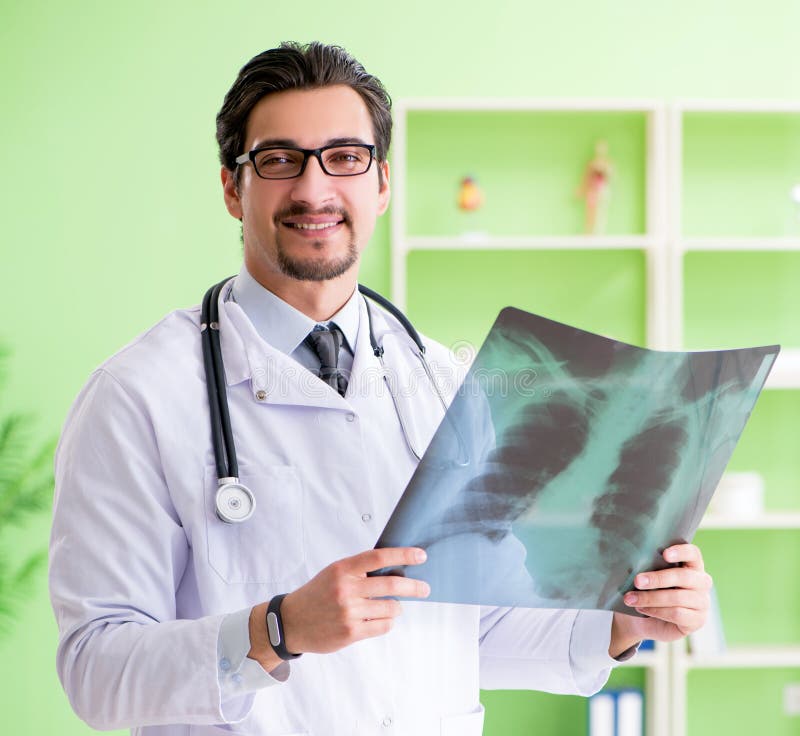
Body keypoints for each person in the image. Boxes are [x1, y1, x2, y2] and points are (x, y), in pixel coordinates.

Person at [49, 42, 712, 736]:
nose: (313, 189)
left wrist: (621, 623)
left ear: (383, 183)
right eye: (279, 160)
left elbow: (470, 630)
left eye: (345, 156)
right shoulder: (137, 397)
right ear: (231, 187)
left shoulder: (442, 381)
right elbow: (96, 671)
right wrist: (275, 628)